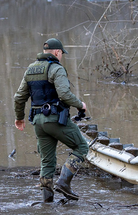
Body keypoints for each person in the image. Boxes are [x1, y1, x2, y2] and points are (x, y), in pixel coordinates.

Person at [13, 38, 89, 203]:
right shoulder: (56, 69)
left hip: (38, 123)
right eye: (61, 53)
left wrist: (19, 118)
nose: (61, 56)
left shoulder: (30, 70)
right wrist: (80, 105)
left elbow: (19, 97)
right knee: (82, 146)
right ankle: (64, 182)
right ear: (57, 52)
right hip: (55, 119)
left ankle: (47, 201)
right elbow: (64, 95)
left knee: (47, 160)